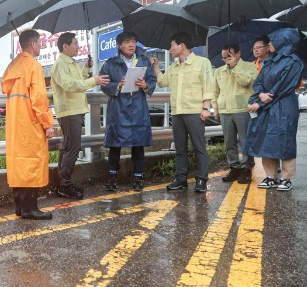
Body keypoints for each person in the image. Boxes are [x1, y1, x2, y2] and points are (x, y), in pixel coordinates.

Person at [150, 32, 214, 193]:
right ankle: (181, 179)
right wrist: (156, 67)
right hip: (177, 112)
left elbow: (208, 85)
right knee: (180, 148)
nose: (170, 49)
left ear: (182, 46)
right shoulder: (173, 67)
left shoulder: (201, 62)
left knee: (199, 146)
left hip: (194, 111)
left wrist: (207, 108)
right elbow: (164, 81)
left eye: (172, 45)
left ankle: (201, 179)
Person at [1, 29, 55, 220]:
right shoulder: (33, 65)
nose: (41, 45)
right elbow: (39, 99)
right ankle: (30, 208)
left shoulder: (13, 66)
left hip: (16, 124)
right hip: (30, 122)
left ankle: (20, 207)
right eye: (39, 43)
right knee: (32, 162)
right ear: (32, 44)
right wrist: (48, 123)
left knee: (19, 163)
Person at [50, 32, 110, 199]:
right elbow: (70, 85)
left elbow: (78, 81)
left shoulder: (70, 63)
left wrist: (86, 69)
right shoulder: (61, 64)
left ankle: (64, 183)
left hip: (74, 109)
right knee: (73, 148)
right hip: (69, 111)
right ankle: (64, 184)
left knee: (68, 147)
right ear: (65, 46)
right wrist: (94, 81)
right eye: (75, 43)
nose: (78, 46)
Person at [243, 29, 304, 191]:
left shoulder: (293, 61)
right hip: (268, 106)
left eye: (272, 40)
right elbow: (259, 82)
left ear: (283, 42)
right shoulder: (271, 61)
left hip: (284, 106)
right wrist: (261, 94)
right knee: (266, 141)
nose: (269, 43)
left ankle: (286, 178)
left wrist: (262, 101)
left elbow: (283, 86)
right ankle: (270, 176)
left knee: (285, 141)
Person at [98, 31, 157, 192]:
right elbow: (102, 83)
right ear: (119, 45)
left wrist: (145, 85)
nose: (131, 44)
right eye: (127, 42)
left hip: (138, 107)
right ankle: (112, 178)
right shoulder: (110, 63)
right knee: (114, 145)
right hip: (118, 108)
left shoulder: (143, 60)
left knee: (138, 145)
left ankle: (138, 178)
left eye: (133, 41)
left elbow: (152, 79)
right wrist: (117, 85)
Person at [213, 43, 258, 183]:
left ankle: (246, 168)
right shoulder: (219, 71)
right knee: (229, 141)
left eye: (229, 56)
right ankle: (234, 167)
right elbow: (215, 91)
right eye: (224, 57)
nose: (226, 59)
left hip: (243, 109)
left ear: (238, 54)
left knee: (245, 141)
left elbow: (246, 82)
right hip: (225, 110)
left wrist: (235, 67)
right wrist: (216, 108)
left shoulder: (250, 67)